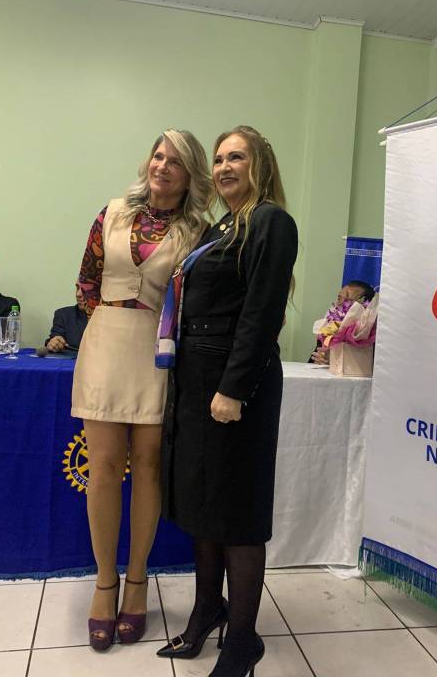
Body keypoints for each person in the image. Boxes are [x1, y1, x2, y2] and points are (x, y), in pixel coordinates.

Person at [157, 126, 298, 676]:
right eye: (218, 159)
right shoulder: (220, 227)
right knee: (204, 506)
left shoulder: (270, 221)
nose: (223, 167)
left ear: (259, 163)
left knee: (237, 514)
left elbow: (262, 313)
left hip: (235, 387)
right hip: (197, 383)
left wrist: (233, 389)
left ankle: (242, 640)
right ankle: (207, 612)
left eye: (235, 156)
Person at [71, 130, 212, 651]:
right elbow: (86, 281)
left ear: (190, 175)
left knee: (149, 467)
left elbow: (197, 300)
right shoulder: (111, 213)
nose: (163, 166)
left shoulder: (199, 231)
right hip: (106, 342)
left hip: (159, 353)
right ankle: (104, 583)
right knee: (104, 468)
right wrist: (110, 322)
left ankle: (137, 582)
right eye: (158, 156)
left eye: (176, 161)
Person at [309, 280, 375, 364]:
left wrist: (334, 360)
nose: (342, 304)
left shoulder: (370, 337)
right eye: (339, 298)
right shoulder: (329, 330)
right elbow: (315, 362)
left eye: (349, 300)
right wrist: (321, 360)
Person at [45, 284, 88, 352]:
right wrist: (53, 344)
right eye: (77, 288)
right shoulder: (63, 315)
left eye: (85, 289)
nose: (78, 294)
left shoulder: (106, 319)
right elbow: (54, 340)